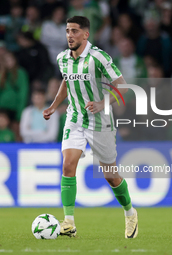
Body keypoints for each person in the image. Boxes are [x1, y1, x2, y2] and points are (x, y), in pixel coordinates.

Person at [43, 16, 138, 239]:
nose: (69, 35)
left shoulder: (99, 57)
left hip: (100, 121)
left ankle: (130, 213)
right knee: (68, 165)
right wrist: (54, 105)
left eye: (75, 31)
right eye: (67, 31)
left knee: (110, 175)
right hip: (74, 118)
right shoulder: (62, 58)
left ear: (86, 34)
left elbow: (122, 86)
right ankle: (69, 222)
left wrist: (102, 103)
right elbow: (67, 81)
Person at [0, 52, 29, 141]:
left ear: (15, 61)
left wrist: (20, 113)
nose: (8, 62)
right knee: (2, 131)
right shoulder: (0, 74)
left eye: (10, 60)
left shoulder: (21, 73)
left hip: (15, 108)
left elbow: (23, 93)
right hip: (3, 108)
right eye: (6, 60)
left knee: (16, 132)